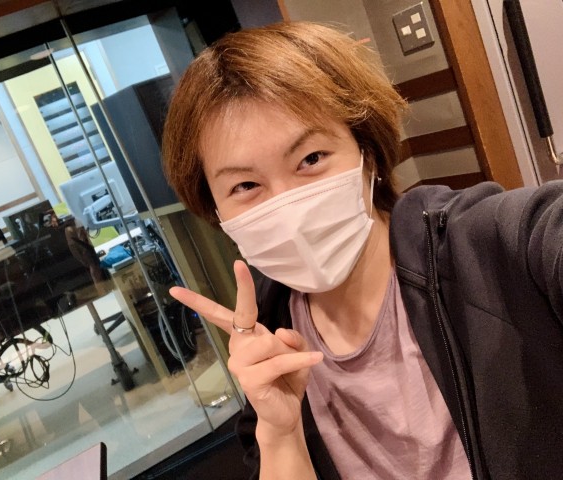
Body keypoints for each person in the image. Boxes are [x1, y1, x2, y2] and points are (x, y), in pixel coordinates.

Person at [161, 22, 563, 480]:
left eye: (311, 159)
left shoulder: (487, 245)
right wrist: (281, 434)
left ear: (366, 154)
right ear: (218, 212)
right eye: (246, 185)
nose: (288, 208)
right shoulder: (268, 348)